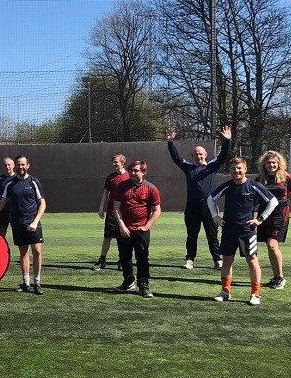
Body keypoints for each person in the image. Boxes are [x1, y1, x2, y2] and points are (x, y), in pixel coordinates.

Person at [207, 157, 278, 306]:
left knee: (252, 261)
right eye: (233, 168)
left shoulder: (254, 186)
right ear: (230, 171)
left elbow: (273, 201)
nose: (236, 171)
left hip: (247, 231)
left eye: (239, 168)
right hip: (228, 230)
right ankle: (225, 292)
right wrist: (215, 216)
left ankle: (255, 294)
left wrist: (260, 219)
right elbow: (210, 199)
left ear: (245, 169)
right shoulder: (227, 186)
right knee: (226, 261)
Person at [167, 125, 233, 269]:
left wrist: (227, 141)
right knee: (192, 235)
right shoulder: (188, 167)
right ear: (192, 156)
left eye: (201, 154)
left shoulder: (212, 166)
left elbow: (223, 156)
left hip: (209, 207)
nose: (198, 156)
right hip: (192, 207)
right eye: (196, 154)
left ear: (206, 155)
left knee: (212, 235)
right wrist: (170, 143)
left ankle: (217, 260)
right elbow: (176, 158)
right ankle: (190, 259)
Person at [0, 155, 47, 295]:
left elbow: (42, 203)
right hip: (17, 223)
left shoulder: (34, 182)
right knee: (23, 253)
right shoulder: (10, 184)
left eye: (23, 165)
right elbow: (1, 203)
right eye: (18, 165)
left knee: (37, 251)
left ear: (28, 165)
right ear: (15, 166)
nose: (20, 167)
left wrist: (35, 221)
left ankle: (37, 282)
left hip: (33, 222)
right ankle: (26, 283)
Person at [255, 150, 291, 290]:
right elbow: (253, 199)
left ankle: (281, 277)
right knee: (269, 245)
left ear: (279, 164)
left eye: (274, 163)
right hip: (264, 215)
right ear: (264, 164)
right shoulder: (259, 179)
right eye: (268, 163)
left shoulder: (286, 178)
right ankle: (275, 276)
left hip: (280, 214)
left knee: (272, 244)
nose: (271, 165)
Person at [111, 160, 161, 298]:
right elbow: (116, 208)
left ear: (143, 171)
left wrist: (147, 226)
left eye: (136, 170)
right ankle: (128, 282)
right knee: (124, 258)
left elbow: (156, 210)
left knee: (142, 258)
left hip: (141, 231)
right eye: (131, 170)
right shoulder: (121, 186)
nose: (132, 173)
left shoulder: (151, 188)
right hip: (124, 229)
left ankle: (143, 285)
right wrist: (121, 226)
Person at [93, 154, 129, 271]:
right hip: (111, 213)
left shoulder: (129, 176)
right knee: (107, 238)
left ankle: (121, 261)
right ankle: (102, 260)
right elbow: (105, 193)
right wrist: (101, 208)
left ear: (122, 162)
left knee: (122, 239)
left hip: (124, 215)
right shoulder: (110, 177)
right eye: (113, 162)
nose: (114, 164)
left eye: (116, 162)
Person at [0, 157, 15, 238]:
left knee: (17, 231)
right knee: (2, 231)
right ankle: (2, 249)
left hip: (15, 211)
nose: (7, 167)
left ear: (13, 165)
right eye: (5, 165)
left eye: (9, 165)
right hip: (3, 210)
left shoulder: (18, 178)